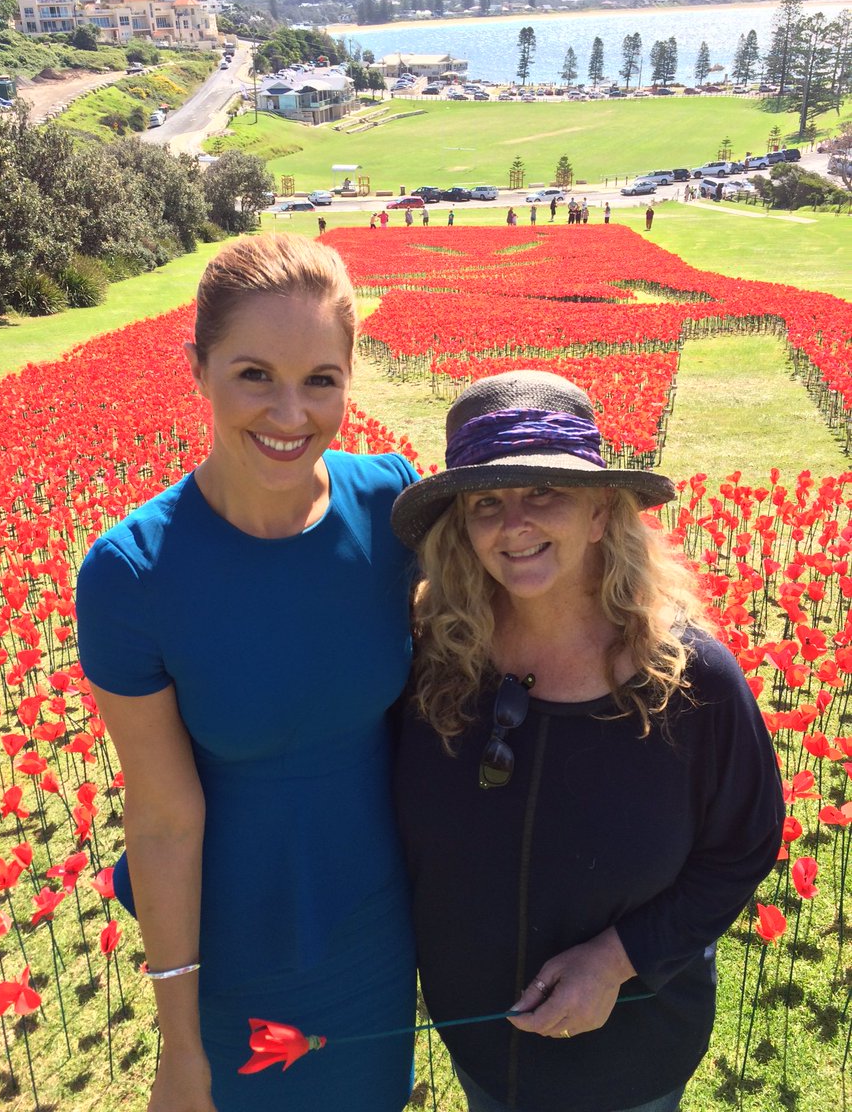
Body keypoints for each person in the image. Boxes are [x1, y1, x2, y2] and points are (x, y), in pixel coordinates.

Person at [76, 235, 418, 1112]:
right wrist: (180, 1046)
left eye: (321, 380)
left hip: (379, 931)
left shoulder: (391, 505)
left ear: (350, 378)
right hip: (233, 950)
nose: (291, 413)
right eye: (254, 374)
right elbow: (161, 819)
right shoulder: (133, 574)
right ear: (199, 369)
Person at [390, 370, 783, 1112]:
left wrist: (616, 961)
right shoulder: (435, 664)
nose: (514, 524)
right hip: (477, 1043)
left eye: (544, 493)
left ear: (603, 513)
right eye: (487, 503)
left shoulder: (689, 681)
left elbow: (747, 842)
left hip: (630, 1060)